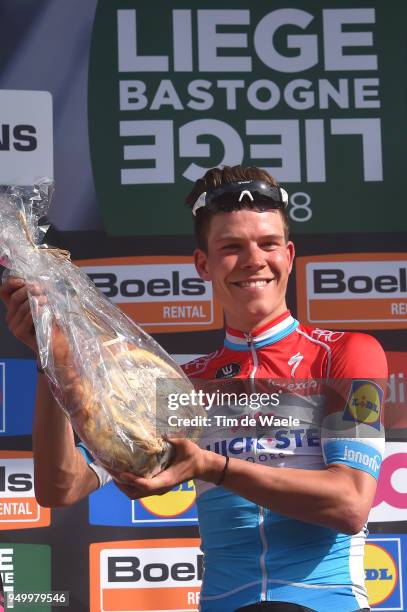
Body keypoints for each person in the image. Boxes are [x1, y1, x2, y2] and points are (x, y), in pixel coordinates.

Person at [0, 165, 387, 612]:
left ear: (289, 254)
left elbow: (351, 503)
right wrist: (53, 361)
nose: (254, 260)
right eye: (231, 247)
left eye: (268, 244)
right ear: (203, 263)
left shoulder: (345, 354)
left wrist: (212, 467)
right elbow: (61, 488)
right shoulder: (181, 387)